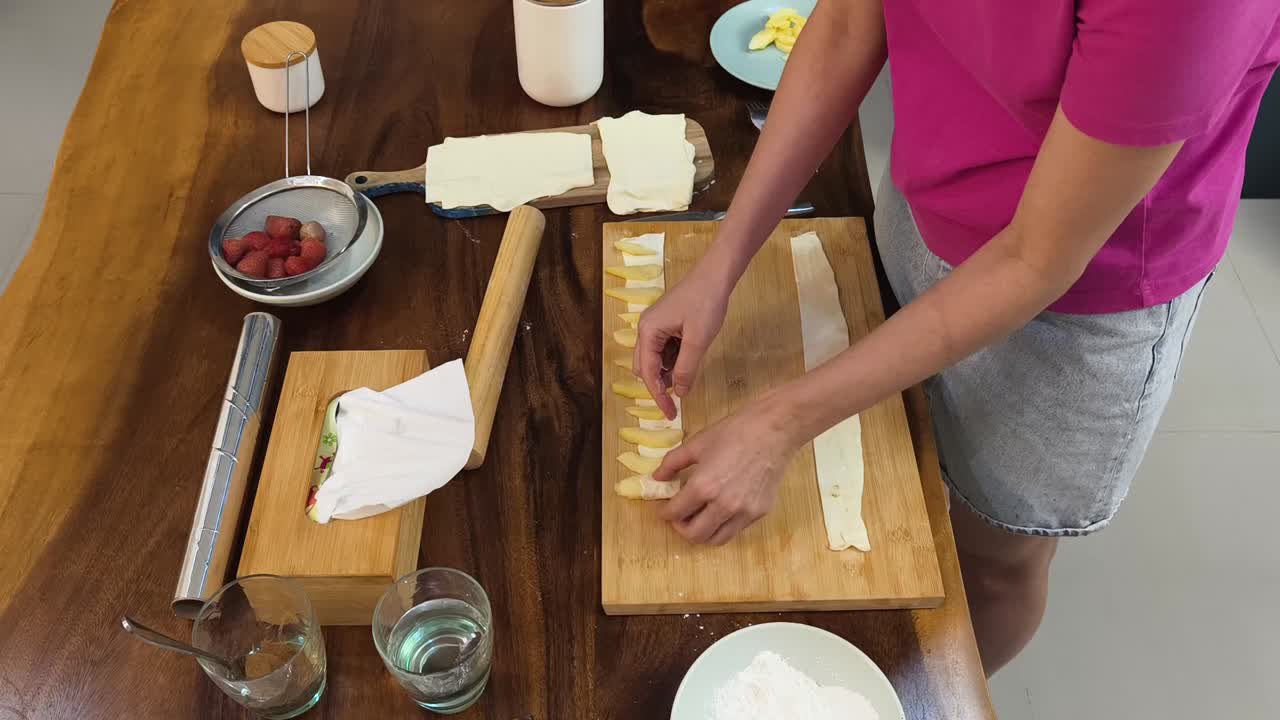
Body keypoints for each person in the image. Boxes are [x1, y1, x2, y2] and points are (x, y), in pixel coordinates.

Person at [633, 0, 1280, 675]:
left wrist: (778, 425)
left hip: (1080, 306)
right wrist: (720, 266)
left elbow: (1036, 259)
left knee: (994, 561)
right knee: (899, 468)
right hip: (930, 196)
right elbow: (850, 27)